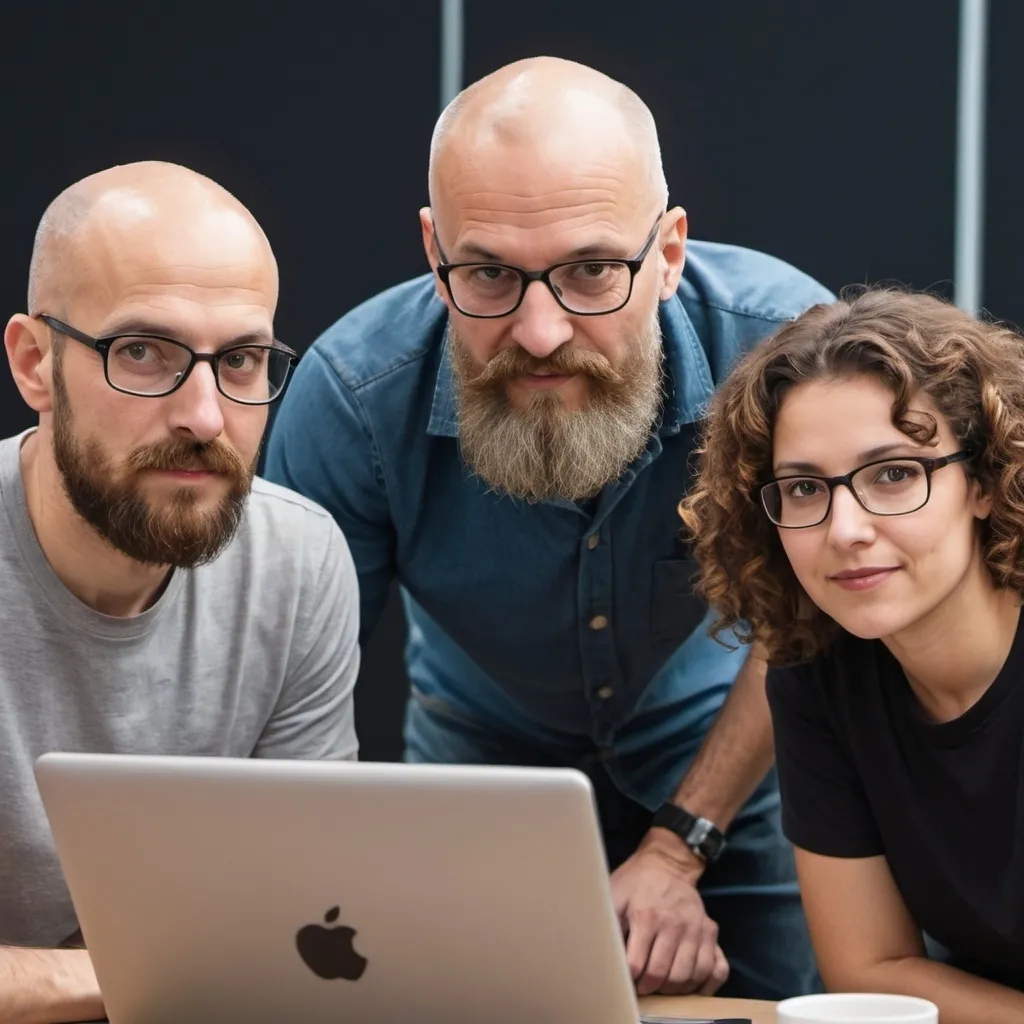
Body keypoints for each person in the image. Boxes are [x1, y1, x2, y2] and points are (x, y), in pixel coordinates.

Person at [264, 55, 831, 999]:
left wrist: (685, 841)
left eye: (592, 271)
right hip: (475, 777)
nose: (538, 331)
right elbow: (284, 694)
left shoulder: (783, 354)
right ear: (432, 251)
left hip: (731, 756)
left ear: (670, 252)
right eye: (487, 273)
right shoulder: (352, 401)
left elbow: (816, 615)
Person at [1, 162, 360, 1024]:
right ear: (33, 364)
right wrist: (136, 971)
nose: (204, 415)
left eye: (239, 361)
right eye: (144, 353)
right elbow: (247, 950)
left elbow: (303, 914)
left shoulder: (299, 560)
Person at [680, 287, 1024, 1023]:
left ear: (986, 482)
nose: (844, 529)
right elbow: (869, 968)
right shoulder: (815, 667)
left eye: (894, 474)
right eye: (804, 488)